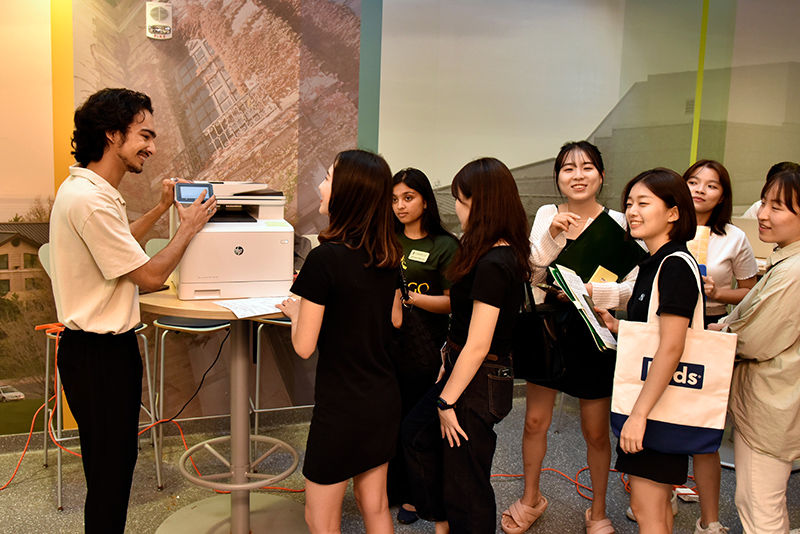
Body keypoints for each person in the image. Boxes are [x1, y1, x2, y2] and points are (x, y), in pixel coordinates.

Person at [49, 87, 217, 533]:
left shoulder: (88, 192)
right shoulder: (90, 200)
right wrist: (188, 228)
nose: (152, 147)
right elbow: (147, 276)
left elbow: (123, 245)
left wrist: (162, 208)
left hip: (98, 354)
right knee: (110, 478)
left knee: (111, 470)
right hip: (99, 356)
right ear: (112, 135)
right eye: (144, 134)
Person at [502, 141, 635, 534]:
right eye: (568, 169)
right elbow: (530, 274)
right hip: (549, 329)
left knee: (595, 431)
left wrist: (592, 293)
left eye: (587, 167)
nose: (578, 176)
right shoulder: (547, 214)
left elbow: (633, 286)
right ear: (558, 178)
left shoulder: (620, 222)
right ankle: (531, 498)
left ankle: (597, 510)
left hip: (596, 329)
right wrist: (553, 238)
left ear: (602, 175)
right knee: (534, 422)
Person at [276, 150, 403, 534]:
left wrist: (297, 313)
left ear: (347, 192)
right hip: (382, 399)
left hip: (342, 409)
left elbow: (303, 346)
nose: (320, 185)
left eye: (329, 178)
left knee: (320, 518)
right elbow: (394, 320)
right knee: (375, 505)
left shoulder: (323, 260)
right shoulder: (388, 255)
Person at [402, 157, 531, 534]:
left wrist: (447, 400)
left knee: (467, 483)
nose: (455, 207)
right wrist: (448, 362)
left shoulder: (495, 262)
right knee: (417, 434)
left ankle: (453, 522)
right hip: (464, 371)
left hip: (478, 380)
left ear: (479, 203)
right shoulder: (486, 251)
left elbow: (479, 342)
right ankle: (444, 522)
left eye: (459, 199)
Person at [598, 168, 700, 534]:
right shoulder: (654, 263)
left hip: (658, 405)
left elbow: (672, 346)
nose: (632, 211)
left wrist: (638, 415)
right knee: (652, 507)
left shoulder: (673, 265)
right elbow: (658, 334)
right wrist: (618, 326)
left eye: (644, 202)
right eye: (628, 203)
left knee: (648, 508)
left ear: (674, 212)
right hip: (655, 401)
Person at [714, 169, 800, 534]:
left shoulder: (794, 271)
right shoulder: (784, 259)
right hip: (766, 400)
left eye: (777, 207)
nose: (762, 214)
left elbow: (754, 338)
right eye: (764, 202)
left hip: (772, 404)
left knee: (759, 506)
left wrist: (714, 333)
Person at [679, 160, 759, 534]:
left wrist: (718, 292)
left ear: (722, 195)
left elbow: (751, 291)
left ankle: (709, 519)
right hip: (668, 330)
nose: (700, 189)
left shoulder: (734, 238)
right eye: (693, 181)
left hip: (712, 328)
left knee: (706, 427)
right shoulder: (664, 225)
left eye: (711, 185)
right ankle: (657, 498)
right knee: (664, 417)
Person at [388, 168, 459, 524]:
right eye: (395, 199)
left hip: (426, 348)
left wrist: (410, 298)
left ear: (426, 201)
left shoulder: (444, 246)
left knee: (418, 427)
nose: (400, 206)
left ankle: (419, 497)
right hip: (388, 346)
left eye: (408, 198)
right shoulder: (387, 238)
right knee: (393, 419)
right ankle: (395, 489)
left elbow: (453, 302)